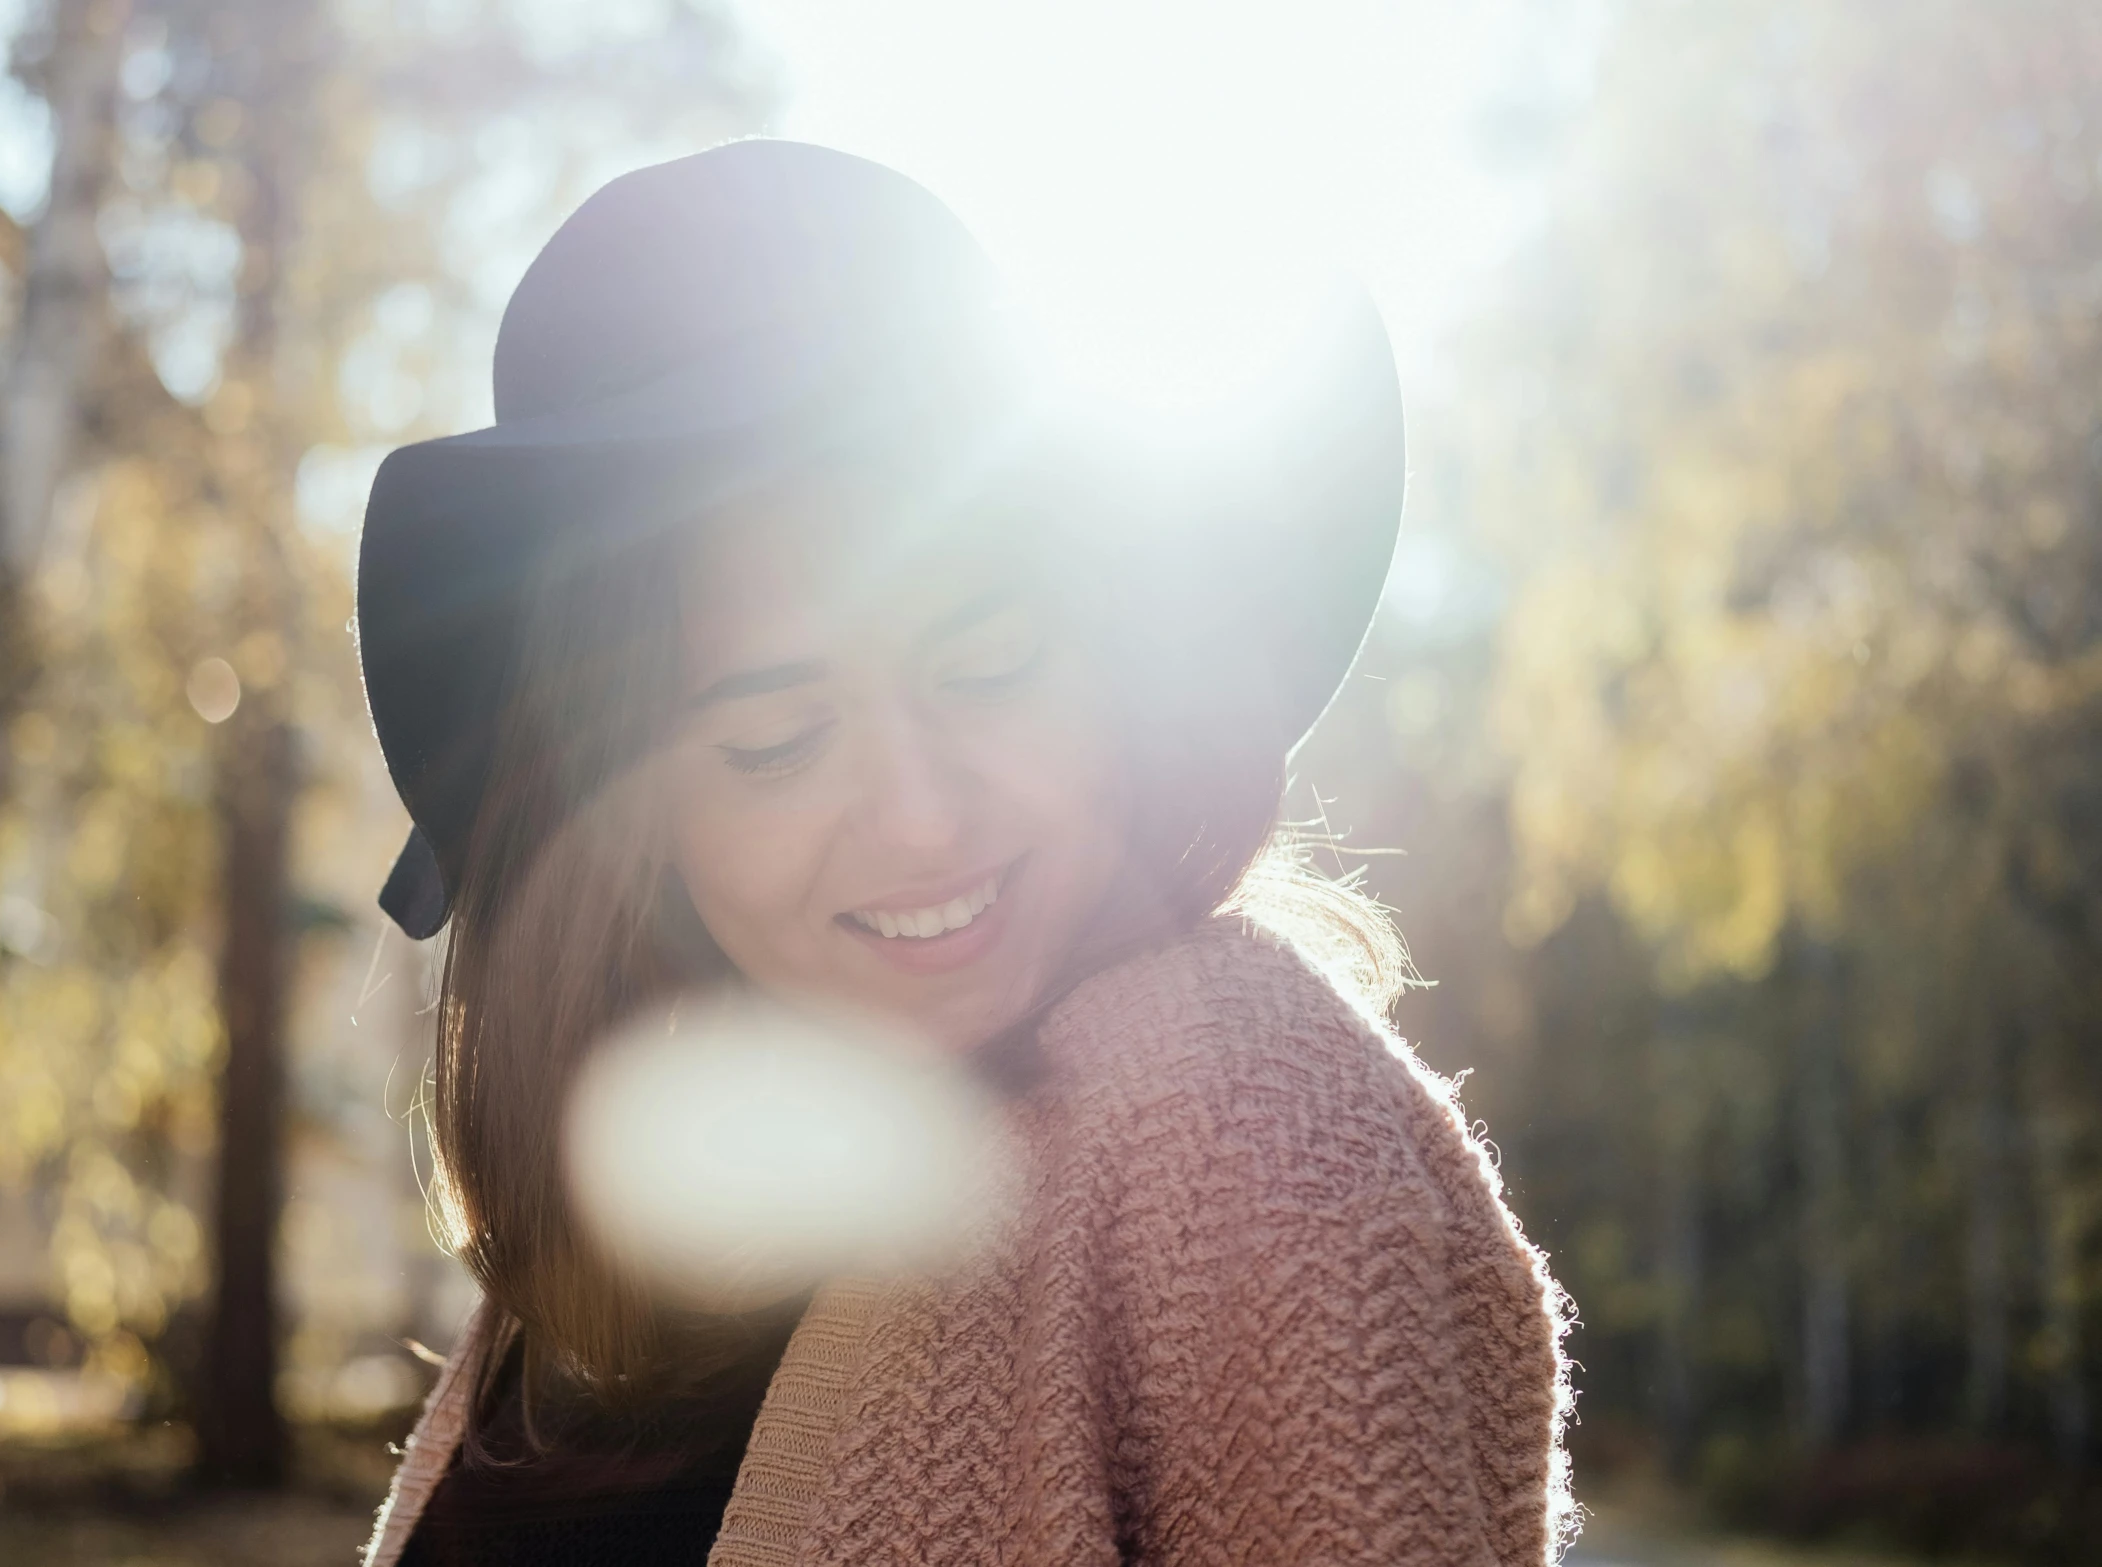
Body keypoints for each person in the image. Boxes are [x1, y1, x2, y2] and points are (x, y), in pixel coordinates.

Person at [354, 139, 1571, 1567]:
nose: (922, 815)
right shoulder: (624, 1238)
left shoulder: (1237, 1116)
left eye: (987, 666)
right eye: (775, 743)